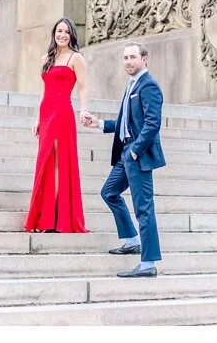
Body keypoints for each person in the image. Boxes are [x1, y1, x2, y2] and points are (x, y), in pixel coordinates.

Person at [82, 42, 165, 278]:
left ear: (144, 59)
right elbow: (124, 123)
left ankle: (148, 264)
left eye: (133, 57)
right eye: (125, 58)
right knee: (109, 192)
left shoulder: (149, 86)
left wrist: (135, 151)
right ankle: (132, 240)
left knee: (144, 210)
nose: (128, 62)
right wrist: (98, 124)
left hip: (137, 156)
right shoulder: (132, 85)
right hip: (126, 154)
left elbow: (152, 124)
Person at [24, 17, 89, 234]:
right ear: (54, 33)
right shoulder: (46, 58)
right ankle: (44, 216)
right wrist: (36, 119)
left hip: (63, 112)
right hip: (46, 113)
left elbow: (82, 88)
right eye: (59, 31)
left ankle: (56, 219)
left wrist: (84, 109)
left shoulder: (76, 58)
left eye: (66, 32)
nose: (62, 35)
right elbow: (43, 90)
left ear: (71, 35)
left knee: (60, 163)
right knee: (45, 162)